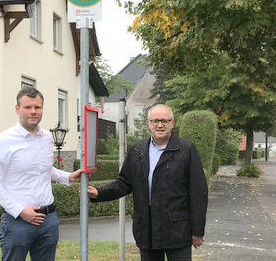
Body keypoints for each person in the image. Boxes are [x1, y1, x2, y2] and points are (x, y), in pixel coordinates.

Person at [87, 104, 208, 261]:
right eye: (155, 120)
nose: (160, 125)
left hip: (177, 230)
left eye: (164, 121)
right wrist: (99, 193)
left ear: (172, 122)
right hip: (147, 230)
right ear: (148, 123)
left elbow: (198, 192)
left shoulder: (186, 150)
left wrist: (198, 230)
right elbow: (124, 183)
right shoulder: (137, 150)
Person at [0, 87, 83, 261]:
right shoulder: (3, 141)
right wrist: (20, 211)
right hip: (18, 222)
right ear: (17, 109)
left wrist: (67, 177)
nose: (33, 112)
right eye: (28, 107)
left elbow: (43, 169)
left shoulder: (46, 137)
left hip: (48, 220)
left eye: (37, 107)